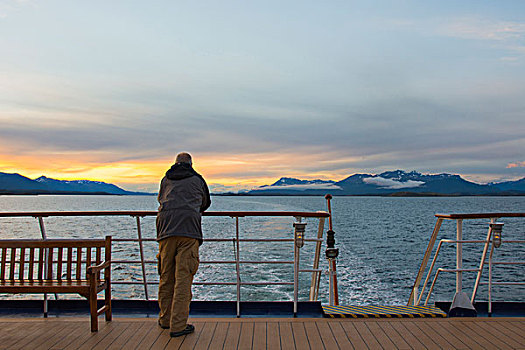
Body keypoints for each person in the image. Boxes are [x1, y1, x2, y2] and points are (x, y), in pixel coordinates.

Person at [156, 152, 211, 337]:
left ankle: (165, 319)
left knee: (166, 276)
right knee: (183, 279)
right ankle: (178, 325)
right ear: (191, 164)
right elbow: (205, 203)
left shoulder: (166, 178)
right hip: (188, 231)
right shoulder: (198, 179)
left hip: (165, 230)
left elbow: (160, 199)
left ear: (175, 163)